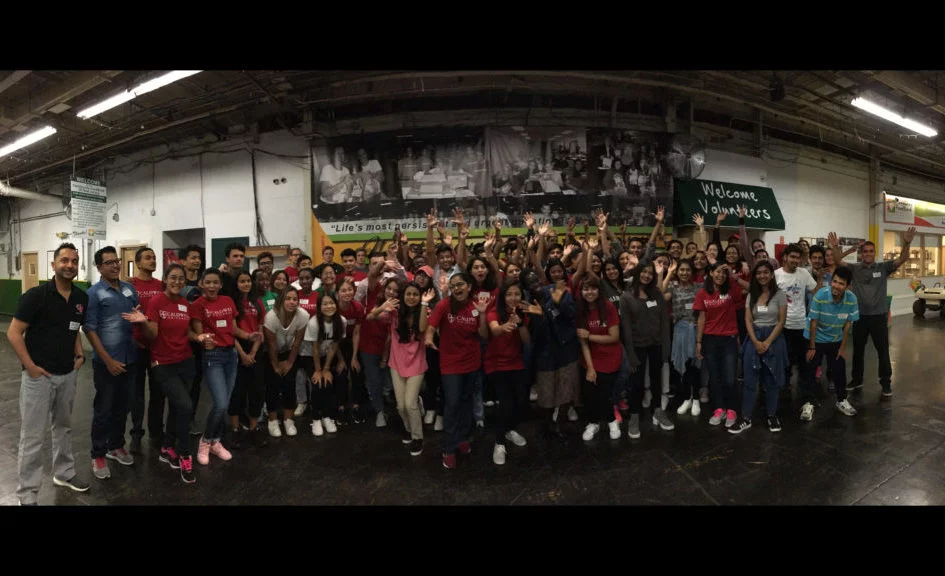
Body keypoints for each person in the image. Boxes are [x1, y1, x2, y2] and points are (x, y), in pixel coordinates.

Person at [9, 243, 89, 504]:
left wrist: (79, 355)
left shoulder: (80, 298)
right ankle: (27, 494)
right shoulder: (36, 296)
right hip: (38, 378)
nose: (69, 265)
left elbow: (73, 328)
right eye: (64, 260)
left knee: (63, 428)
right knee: (32, 438)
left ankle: (64, 473)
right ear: (53, 265)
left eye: (74, 261)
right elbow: (13, 333)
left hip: (67, 374)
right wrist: (30, 367)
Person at [123, 264, 198, 485]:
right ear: (165, 280)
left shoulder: (185, 304)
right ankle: (185, 455)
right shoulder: (157, 301)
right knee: (185, 406)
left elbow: (187, 332)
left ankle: (166, 448)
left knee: (177, 407)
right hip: (163, 364)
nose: (177, 282)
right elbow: (153, 334)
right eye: (173, 278)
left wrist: (199, 338)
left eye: (181, 278)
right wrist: (144, 321)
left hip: (186, 362)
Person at [830, 229, 915, 397]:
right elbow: (839, 261)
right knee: (858, 352)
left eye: (871, 251)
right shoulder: (855, 269)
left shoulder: (883, 267)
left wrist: (906, 243)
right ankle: (857, 379)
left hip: (878, 318)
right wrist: (834, 246)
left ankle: (886, 382)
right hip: (860, 317)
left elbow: (903, 259)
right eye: (865, 251)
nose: (868, 254)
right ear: (861, 254)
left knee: (882, 351)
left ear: (874, 253)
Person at [84, 246, 139, 480]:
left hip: (130, 358)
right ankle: (98, 454)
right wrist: (108, 360)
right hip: (107, 363)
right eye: (109, 262)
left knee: (123, 407)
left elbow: (136, 314)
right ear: (99, 267)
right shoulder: (94, 293)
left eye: (117, 261)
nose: (115, 265)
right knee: (104, 409)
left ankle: (115, 445)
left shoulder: (128, 288)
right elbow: (90, 329)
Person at [424, 272, 487, 470]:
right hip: (450, 364)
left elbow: (483, 334)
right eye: (453, 286)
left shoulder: (476, 307)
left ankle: (462, 437)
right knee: (452, 403)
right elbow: (431, 326)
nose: (457, 289)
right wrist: (428, 337)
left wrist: (483, 314)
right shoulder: (444, 305)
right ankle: (449, 449)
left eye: (460, 284)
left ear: (469, 286)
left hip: (472, 363)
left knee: (467, 402)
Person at [371, 282, 431, 456]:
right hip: (397, 363)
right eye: (408, 294)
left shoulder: (424, 311)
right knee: (400, 406)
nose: (411, 297)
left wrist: (425, 303)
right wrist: (381, 307)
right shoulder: (394, 312)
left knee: (410, 404)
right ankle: (408, 429)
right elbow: (371, 317)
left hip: (417, 363)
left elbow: (421, 329)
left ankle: (417, 437)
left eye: (415, 294)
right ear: (402, 296)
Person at [730, 261, 788, 434]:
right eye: (759, 273)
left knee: (771, 381)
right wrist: (755, 341)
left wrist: (768, 342)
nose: (762, 276)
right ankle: (746, 418)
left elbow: (781, 321)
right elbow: (748, 319)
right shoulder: (751, 295)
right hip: (753, 337)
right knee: (749, 380)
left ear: (771, 274)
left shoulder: (780, 295)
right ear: (755, 276)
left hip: (774, 338)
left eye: (766, 272)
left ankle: (772, 415)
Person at [484, 281, 538, 464]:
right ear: (503, 297)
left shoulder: (523, 313)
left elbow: (527, 341)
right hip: (496, 363)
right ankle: (499, 443)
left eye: (517, 294)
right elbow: (494, 329)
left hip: (515, 362)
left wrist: (520, 322)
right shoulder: (494, 311)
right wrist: (505, 325)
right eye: (509, 294)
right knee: (505, 402)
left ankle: (510, 429)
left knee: (520, 401)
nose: (513, 298)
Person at [189, 269, 240, 466]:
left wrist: (249, 337)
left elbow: (233, 329)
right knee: (220, 404)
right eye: (207, 282)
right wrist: (205, 340)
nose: (211, 286)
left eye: (215, 282)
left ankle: (215, 441)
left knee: (225, 404)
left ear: (220, 285)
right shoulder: (198, 305)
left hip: (231, 354)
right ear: (201, 284)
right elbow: (200, 334)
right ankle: (205, 441)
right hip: (213, 356)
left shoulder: (228, 301)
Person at [621, 262, 673, 437]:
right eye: (644, 272)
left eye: (650, 273)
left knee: (657, 380)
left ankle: (658, 411)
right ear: (637, 273)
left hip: (656, 344)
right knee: (636, 384)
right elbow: (626, 329)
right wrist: (630, 354)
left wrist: (666, 346)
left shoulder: (656, 294)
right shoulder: (627, 296)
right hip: (636, 346)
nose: (647, 275)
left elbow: (664, 322)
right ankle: (634, 418)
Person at [802, 266, 859, 421]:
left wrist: (842, 347)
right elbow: (813, 322)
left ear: (847, 286)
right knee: (811, 370)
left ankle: (841, 400)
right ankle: (809, 402)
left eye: (841, 283)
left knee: (839, 370)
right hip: (816, 337)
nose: (836, 286)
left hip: (835, 338)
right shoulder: (821, 295)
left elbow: (848, 324)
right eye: (834, 281)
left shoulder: (851, 299)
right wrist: (812, 347)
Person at [694, 262, 743, 429]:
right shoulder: (702, 293)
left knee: (730, 378)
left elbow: (749, 288)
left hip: (729, 339)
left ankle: (732, 410)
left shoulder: (730, 290)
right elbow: (701, 318)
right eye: (717, 272)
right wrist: (699, 342)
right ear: (710, 273)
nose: (720, 275)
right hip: (709, 340)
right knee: (714, 377)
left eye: (723, 273)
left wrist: (733, 276)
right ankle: (719, 408)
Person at [577, 276, 624, 442]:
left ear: (598, 290)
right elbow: (583, 343)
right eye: (586, 289)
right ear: (581, 292)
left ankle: (611, 421)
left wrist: (590, 335)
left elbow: (614, 337)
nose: (589, 292)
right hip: (591, 358)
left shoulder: (608, 307)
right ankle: (593, 423)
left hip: (611, 357)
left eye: (593, 288)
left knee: (604, 394)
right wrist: (590, 367)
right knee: (589, 394)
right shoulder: (581, 310)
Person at [129, 246, 165, 453]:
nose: (152, 261)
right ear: (138, 262)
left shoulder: (161, 286)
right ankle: (135, 433)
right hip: (136, 347)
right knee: (136, 394)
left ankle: (156, 431)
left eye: (154, 258)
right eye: (148, 258)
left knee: (158, 392)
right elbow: (123, 314)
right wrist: (133, 340)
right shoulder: (129, 285)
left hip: (156, 347)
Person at [228, 271, 268, 449]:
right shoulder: (232, 303)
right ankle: (235, 429)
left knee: (256, 390)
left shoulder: (257, 302)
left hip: (255, 350)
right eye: (242, 281)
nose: (246, 284)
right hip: (237, 349)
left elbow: (260, 329)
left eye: (248, 281)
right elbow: (231, 330)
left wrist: (252, 353)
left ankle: (253, 428)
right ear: (236, 284)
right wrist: (243, 354)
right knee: (237, 391)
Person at [263, 287, 308, 437]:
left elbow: (297, 342)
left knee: (289, 382)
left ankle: (288, 419)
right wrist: (276, 366)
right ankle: (273, 420)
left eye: (295, 299)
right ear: (281, 300)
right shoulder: (271, 317)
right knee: (273, 384)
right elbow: (271, 345)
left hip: (290, 351)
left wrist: (289, 363)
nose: (291, 302)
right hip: (271, 352)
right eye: (288, 298)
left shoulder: (303, 315)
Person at [774, 244, 818, 391]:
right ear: (785, 257)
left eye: (798, 258)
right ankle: (784, 386)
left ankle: (805, 391)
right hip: (782, 325)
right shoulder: (776, 275)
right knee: (784, 359)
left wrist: (823, 277)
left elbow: (815, 291)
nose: (795, 260)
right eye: (792, 257)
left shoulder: (804, 273)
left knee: (803, 360)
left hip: (800, 324)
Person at [305, 291, 346, 436]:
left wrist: (327, 368)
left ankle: (327, 416)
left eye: (331, 303)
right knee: (318, 383)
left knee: (328, 381)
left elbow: (334, 345)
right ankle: (316, 418)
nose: (329, 306)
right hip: (310, 356)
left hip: (328, 356)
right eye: (325, 304)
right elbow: (314, 349)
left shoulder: (341, 321)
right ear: (319, 306)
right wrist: (319, 370)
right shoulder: (314, 322)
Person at [666, 259, 702, 418]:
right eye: (681, 270)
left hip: (696, 329)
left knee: (696, 365)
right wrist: (667, 273)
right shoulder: (672, 287)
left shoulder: (699, 287)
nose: (685, 273)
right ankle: (687, 398)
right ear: (677, 272)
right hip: (680, 330)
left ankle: (697, 399)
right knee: (685, 365)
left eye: (688, 270)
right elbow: (661, 295)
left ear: (692, 272)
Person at [336, 277, 366, 424]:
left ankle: (356, 405)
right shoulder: (333, 307)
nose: (347, 293)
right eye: (343, 290)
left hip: (353, 342)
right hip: (336, 344)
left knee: (356, 371)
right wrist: (341, 359)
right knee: (340, 373)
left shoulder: (358, 307)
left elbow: (357, 333)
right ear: (337, 293)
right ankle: (341, 406)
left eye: (349, 290)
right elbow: (334, 338)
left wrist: (354, 357)